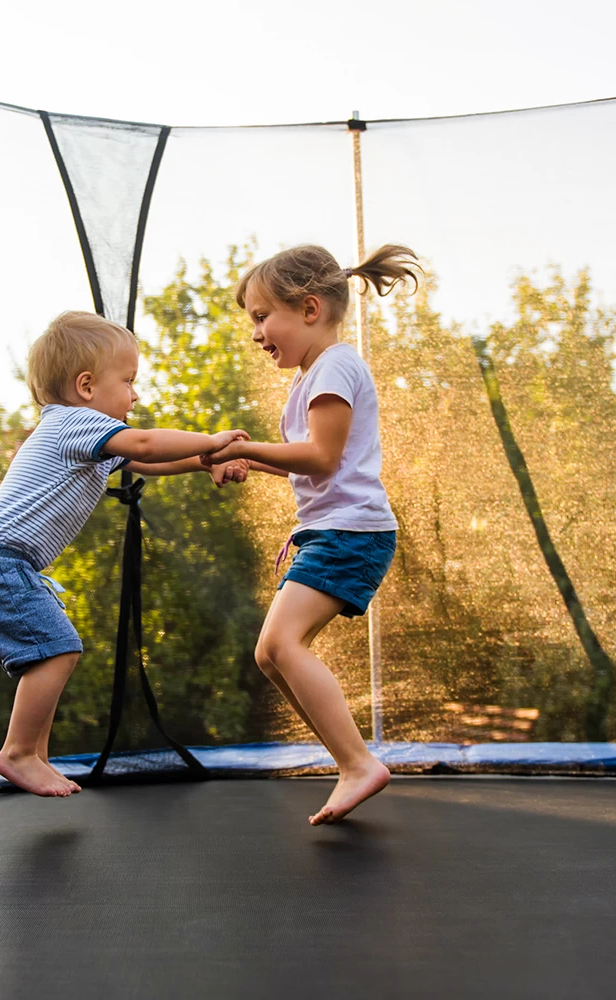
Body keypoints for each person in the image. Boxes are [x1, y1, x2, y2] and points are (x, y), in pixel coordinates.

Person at [0, 310, 250, 797]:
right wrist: (213, 440)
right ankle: (19, 752)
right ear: (86, 386)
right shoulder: (73, 423)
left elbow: (149, 459)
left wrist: (203, 463)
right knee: (59, 649)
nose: (136, 394)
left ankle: (34, 754)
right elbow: (148, 444)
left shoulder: (80, 433)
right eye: (129, 381)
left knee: (48, 653)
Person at [203, 243, 420, 825]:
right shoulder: (311, 378)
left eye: (260, 316)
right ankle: (352, 762)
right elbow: (313, 461)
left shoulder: (337, 366)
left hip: (352, 534)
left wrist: (246, 448)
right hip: (333, 532)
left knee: (281, 646)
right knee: (271, 653)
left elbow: (321, 457)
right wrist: (251, 462)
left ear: (308, 307)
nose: (256, 334)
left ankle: (357, 764)